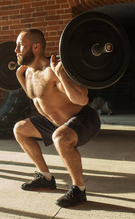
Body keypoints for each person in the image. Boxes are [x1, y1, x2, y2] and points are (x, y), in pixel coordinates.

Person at [13, 29, 101, 207]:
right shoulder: (28, 72)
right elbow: (35, 96)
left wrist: (61, 73)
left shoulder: (53, 70)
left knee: (59, 137)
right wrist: (19, 77)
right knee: (20, 129)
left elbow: (82, 99)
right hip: (55, 122)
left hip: (83, 118)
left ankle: (79, 189)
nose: (16, 50)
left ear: (36, 47)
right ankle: (45, 178)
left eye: (20, 45)